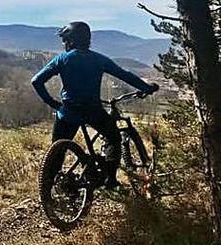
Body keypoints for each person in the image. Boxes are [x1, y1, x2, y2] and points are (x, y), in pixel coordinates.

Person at [31, 21, 159, 189]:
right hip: (93, 111)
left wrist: (53, 103)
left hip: (68, 112)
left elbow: (36, 81)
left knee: (56, 151)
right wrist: (146, 88)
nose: (64, 44)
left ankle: (48, 190)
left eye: (65, 40)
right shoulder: (98, 59)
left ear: (71, 41)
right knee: (114, 137)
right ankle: (110, 179)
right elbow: (124, 75)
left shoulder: (62, 59)